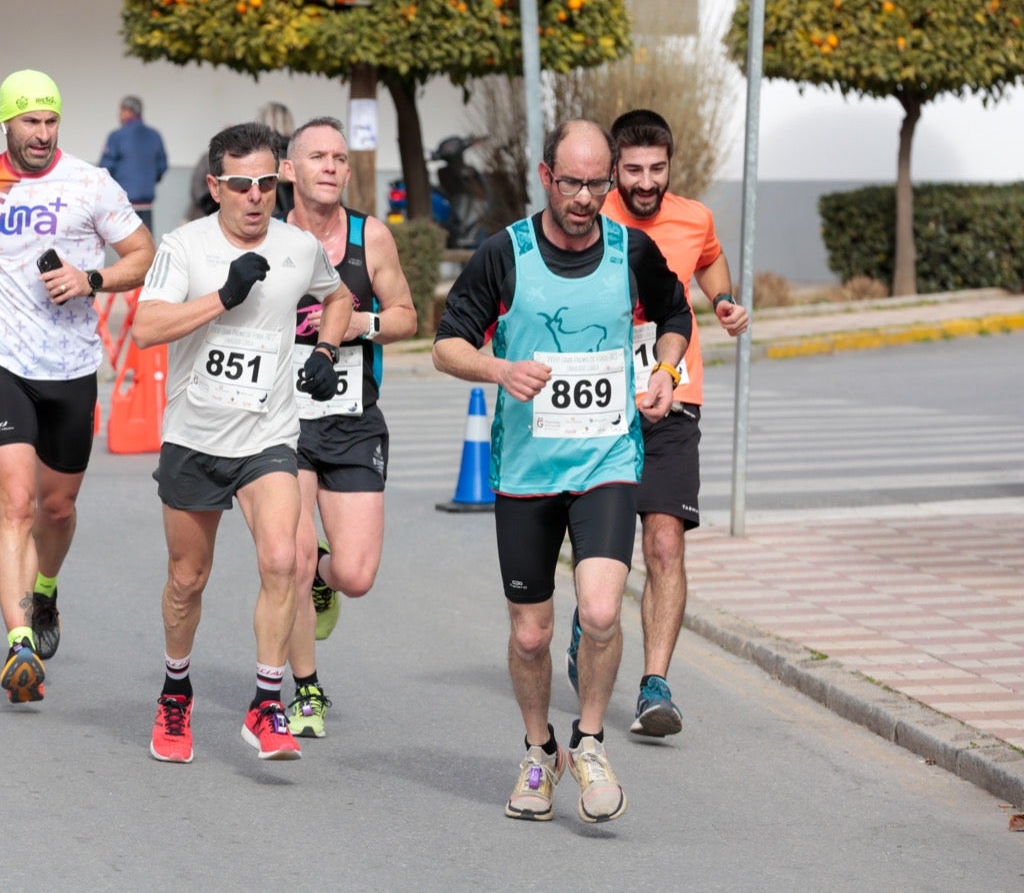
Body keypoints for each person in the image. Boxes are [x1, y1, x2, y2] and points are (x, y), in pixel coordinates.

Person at [431, 119, 691, 824]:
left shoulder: (630, 250)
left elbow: (675, 314)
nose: (585, 197)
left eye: (597, 183)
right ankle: (539, 751)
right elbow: (445, 346)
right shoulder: (504, 254)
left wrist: (665, 370)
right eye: (572, 182)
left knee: (602, 610)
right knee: (531, 635)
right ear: (545, 177)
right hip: (524, 471)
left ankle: (592, 742)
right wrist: (497, 367)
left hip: (608, 458)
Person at [0, 69, 154, 705]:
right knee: (18, 506)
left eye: (51, 121)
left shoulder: (90, 183)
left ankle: (46, 589)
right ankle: (19, 640)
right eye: (30, 122)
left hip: (72, 366)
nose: (42, 134)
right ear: (6, 123)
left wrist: (93, 279)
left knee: (57, 509)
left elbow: (142, 252)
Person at [134, 120, 353, 764]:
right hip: (195, 435)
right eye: (240, 184)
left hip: (269, 434)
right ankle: (176, 691)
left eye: (265, 182)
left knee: (286, 560)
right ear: (214, 186)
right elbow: (146, 326)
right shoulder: (185, 246)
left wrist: (328, 349)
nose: (255, 196)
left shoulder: (297, 245)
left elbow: (338, 298)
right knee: (187, 578)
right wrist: (223, 296)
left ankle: (265, 704)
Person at [560, 108, 750, 736]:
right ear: (614, 168)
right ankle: (590, 617)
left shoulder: (694, 218)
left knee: (665, 541)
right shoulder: (590, 215)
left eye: (657, 169)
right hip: (600, 404)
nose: (646, 182)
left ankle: (655, 685)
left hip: (675, 398)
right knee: (600, 543)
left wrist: (721, 299)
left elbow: (712, 261)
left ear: (671, 167)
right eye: (633, 170)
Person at [279, 117, 417, 739]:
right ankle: (305, 690)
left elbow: (409, 318)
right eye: (317, 156)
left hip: (354, 420)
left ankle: (320, 580)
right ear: (289, 171)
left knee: (354, 574)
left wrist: (353, 326)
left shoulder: (370, 237)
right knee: (293, 552)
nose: (332, 166)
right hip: (282, 424)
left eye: (340, 157)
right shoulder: (269, 239)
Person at [98, 95, 167, 233]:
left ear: (127, 111)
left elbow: (105, 169)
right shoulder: (154, 135)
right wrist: (149, 180)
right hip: (147, 203)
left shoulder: (117, 136)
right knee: (146, 245)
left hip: (124, 205)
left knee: (127, 247)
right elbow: (162, 165)